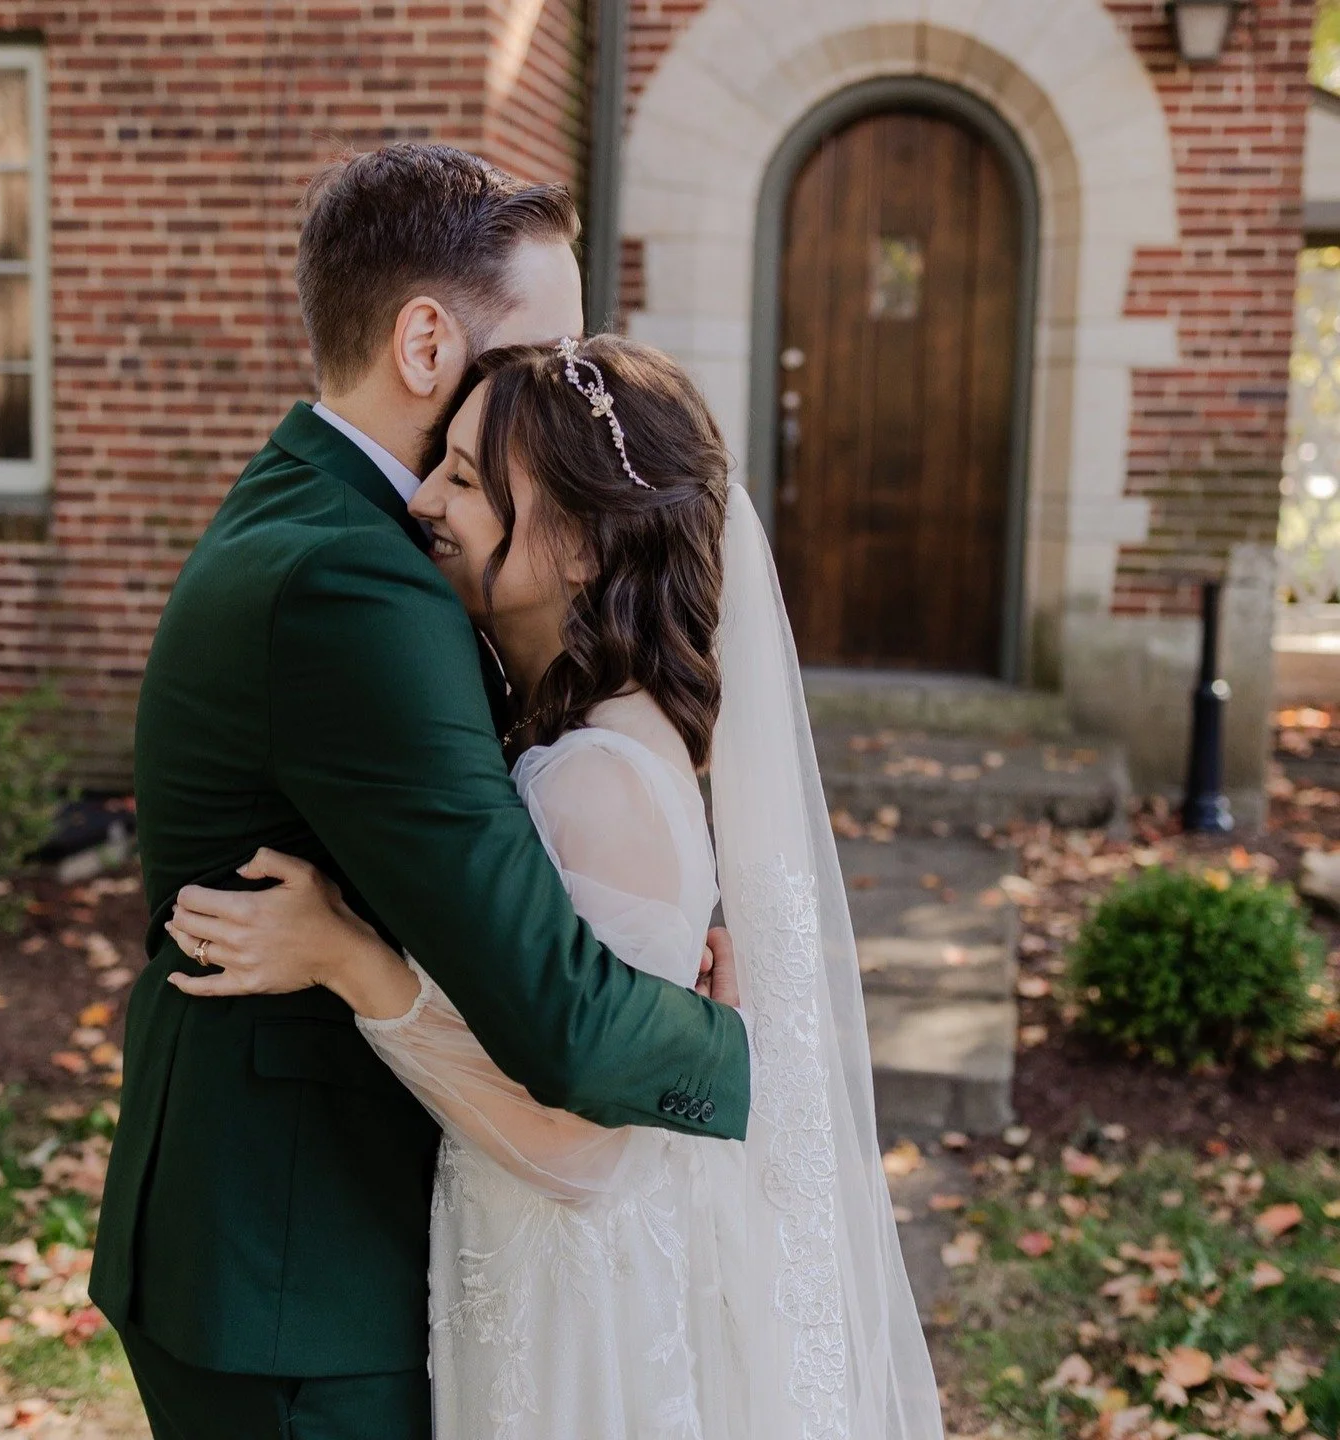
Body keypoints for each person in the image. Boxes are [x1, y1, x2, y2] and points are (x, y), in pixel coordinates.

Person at [168, 335, 945, 1439]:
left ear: (582, 547)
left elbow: (586, 1150)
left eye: (471, 481)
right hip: (529, 1267)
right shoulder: (570, 730)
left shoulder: (596, 778)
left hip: (579, 1312)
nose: (424, 499)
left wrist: (345, 956)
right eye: (442, 461)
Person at [89, 148, 752, 1440]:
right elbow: (555, 1011)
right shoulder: (359, 582)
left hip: (289, 1240)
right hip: (296, 1270)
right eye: (547, 347)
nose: (575, 379)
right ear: (427, 340)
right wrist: (733, 1052)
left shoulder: (316, 507)